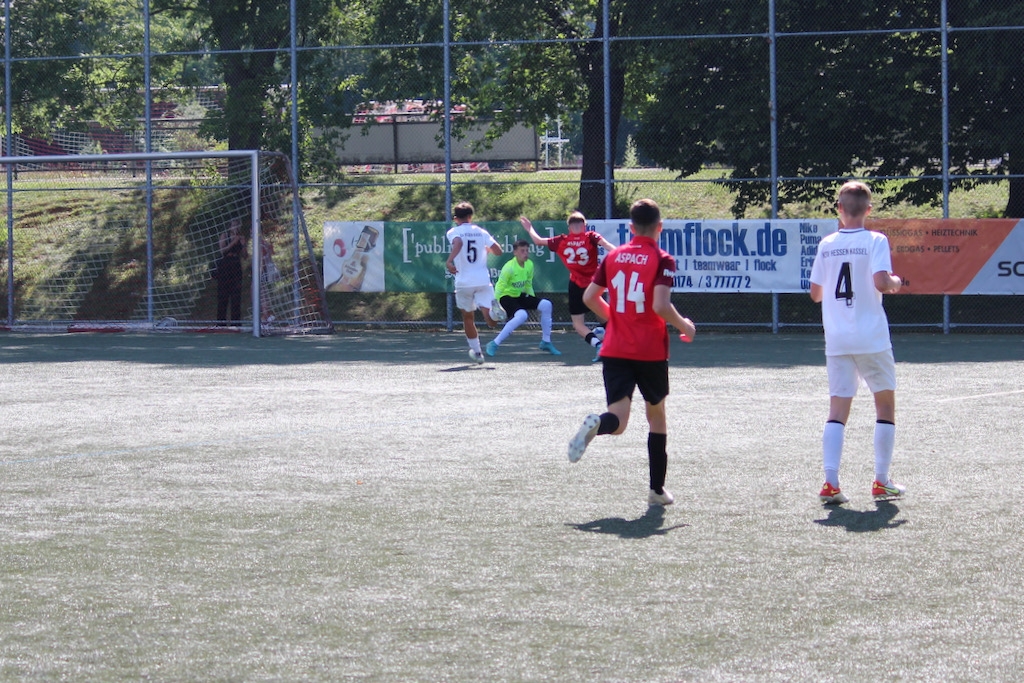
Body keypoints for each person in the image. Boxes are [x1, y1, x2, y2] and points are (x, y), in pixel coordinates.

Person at [567, 198, 696, 507]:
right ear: (659, 227)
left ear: (630, 228)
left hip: (615, 348)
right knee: (656, 416)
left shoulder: (614, 256)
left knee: (618, 420)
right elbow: (660, 305)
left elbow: (589, 297)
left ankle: (598, 424)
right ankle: (656, 491)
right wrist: (685, 326)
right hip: (649, 350)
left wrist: (616, 318)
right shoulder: (663, 259)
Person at [809, 180, 904, 504]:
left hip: (837, 338)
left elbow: (815, 293)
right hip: (871, 337)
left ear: (839, 209)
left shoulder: (827, 244)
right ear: (868, 209)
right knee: (885, 405)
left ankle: (831, 482)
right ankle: (881, 480)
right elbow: (881, 281)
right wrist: (895, 282)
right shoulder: (876, 240)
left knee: (837, 409)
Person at [521, 211, 616, 361]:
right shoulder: (591, 236)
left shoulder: (561, 241)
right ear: (584, 226)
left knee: (578, 324)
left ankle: (599, 345)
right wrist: (622, 254)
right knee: (605, 316)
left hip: (576, 285)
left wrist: (529, 228)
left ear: (569, 227)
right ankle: (616, 343)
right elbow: (607, 245)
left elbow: (538, 241)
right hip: (593, 285)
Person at [445, 201, 506, 364]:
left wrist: (449, 261)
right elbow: (498, 251)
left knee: (468, 318)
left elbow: (458, 243)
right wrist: (486, 250)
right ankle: (495, 312)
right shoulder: (481, 232)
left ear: (456, 219)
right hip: (482, 280)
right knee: (491, 322)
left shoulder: (454, 231)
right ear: (471, 217)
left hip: (464, 282)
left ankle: (478, 353)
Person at [485, 239, 562, 357]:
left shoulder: (529, 264)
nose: (525, 253)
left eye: (527, 250)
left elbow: (528, 284)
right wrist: (495, 304)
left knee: (546, 305)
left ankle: (546, 342)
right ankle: (494, 343)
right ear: (515, 252)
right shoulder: (509, 267)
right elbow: (499, 287)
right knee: (522, 315)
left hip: (518, 295)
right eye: (522, 251)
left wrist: (533, 300)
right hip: (505, 297)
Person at [215, 217, 247, 325]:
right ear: (230, 227)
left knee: (236, 295)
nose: (236, 227)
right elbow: (222, 251)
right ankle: (221, 323)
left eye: (238, 225)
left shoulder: (241, 237)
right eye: (234, 225)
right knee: (223, 295)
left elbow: (245, 256)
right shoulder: (225, 235)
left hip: (236, 265)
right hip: (225, 265)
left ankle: (236, 323)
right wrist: (233, 242)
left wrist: (243, 244)